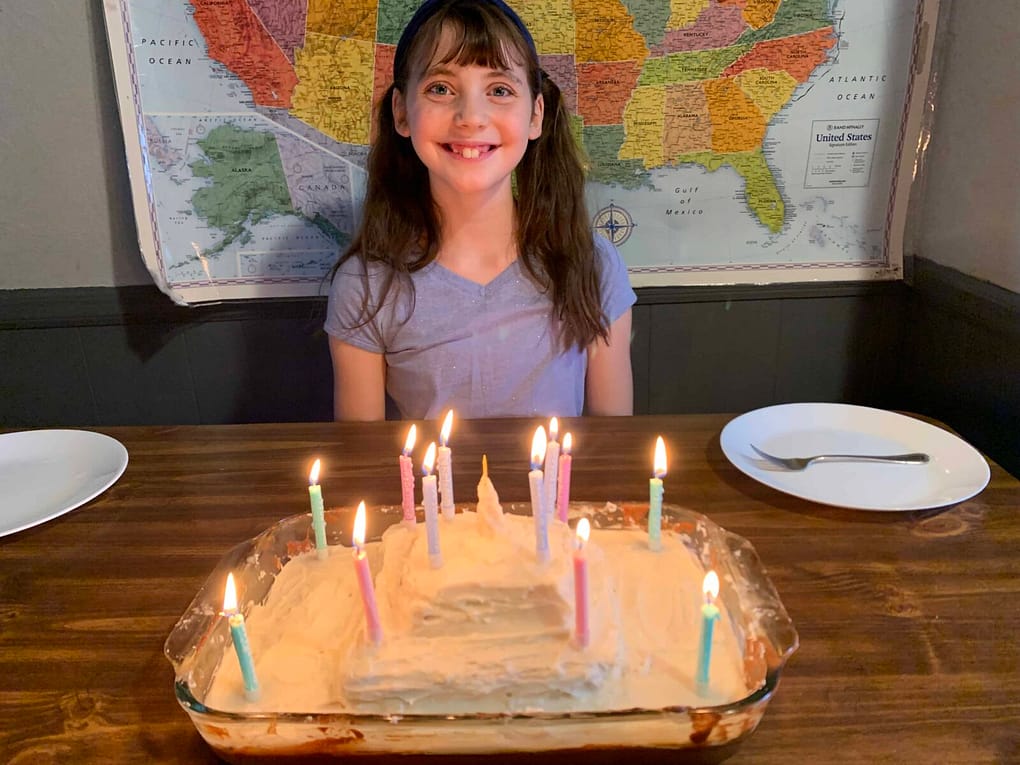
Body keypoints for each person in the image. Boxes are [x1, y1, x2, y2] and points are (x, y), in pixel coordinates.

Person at [325, 0, 636, 421]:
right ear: (401, 112)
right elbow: (361, 460)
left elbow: (613, 449)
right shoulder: (366, 286)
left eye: (499, 90)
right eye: (440, 88)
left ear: (536, 115)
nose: (471, 117)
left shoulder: (594, 266)